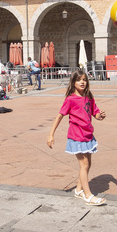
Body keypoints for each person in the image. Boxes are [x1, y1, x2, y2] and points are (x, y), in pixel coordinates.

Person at [46, 67, 107, 206]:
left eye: (84, 80)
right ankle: (88, 195)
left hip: (88, 135)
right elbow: (59, 116)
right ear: (73, 82)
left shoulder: (89, 96)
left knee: (88, 164)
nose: (82, 82)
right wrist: (51, 134)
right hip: (76, 135)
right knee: (83, 164)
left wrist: (99, 116)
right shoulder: (70, 99)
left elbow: (94, 112)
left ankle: (79, 189)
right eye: (79, 80)